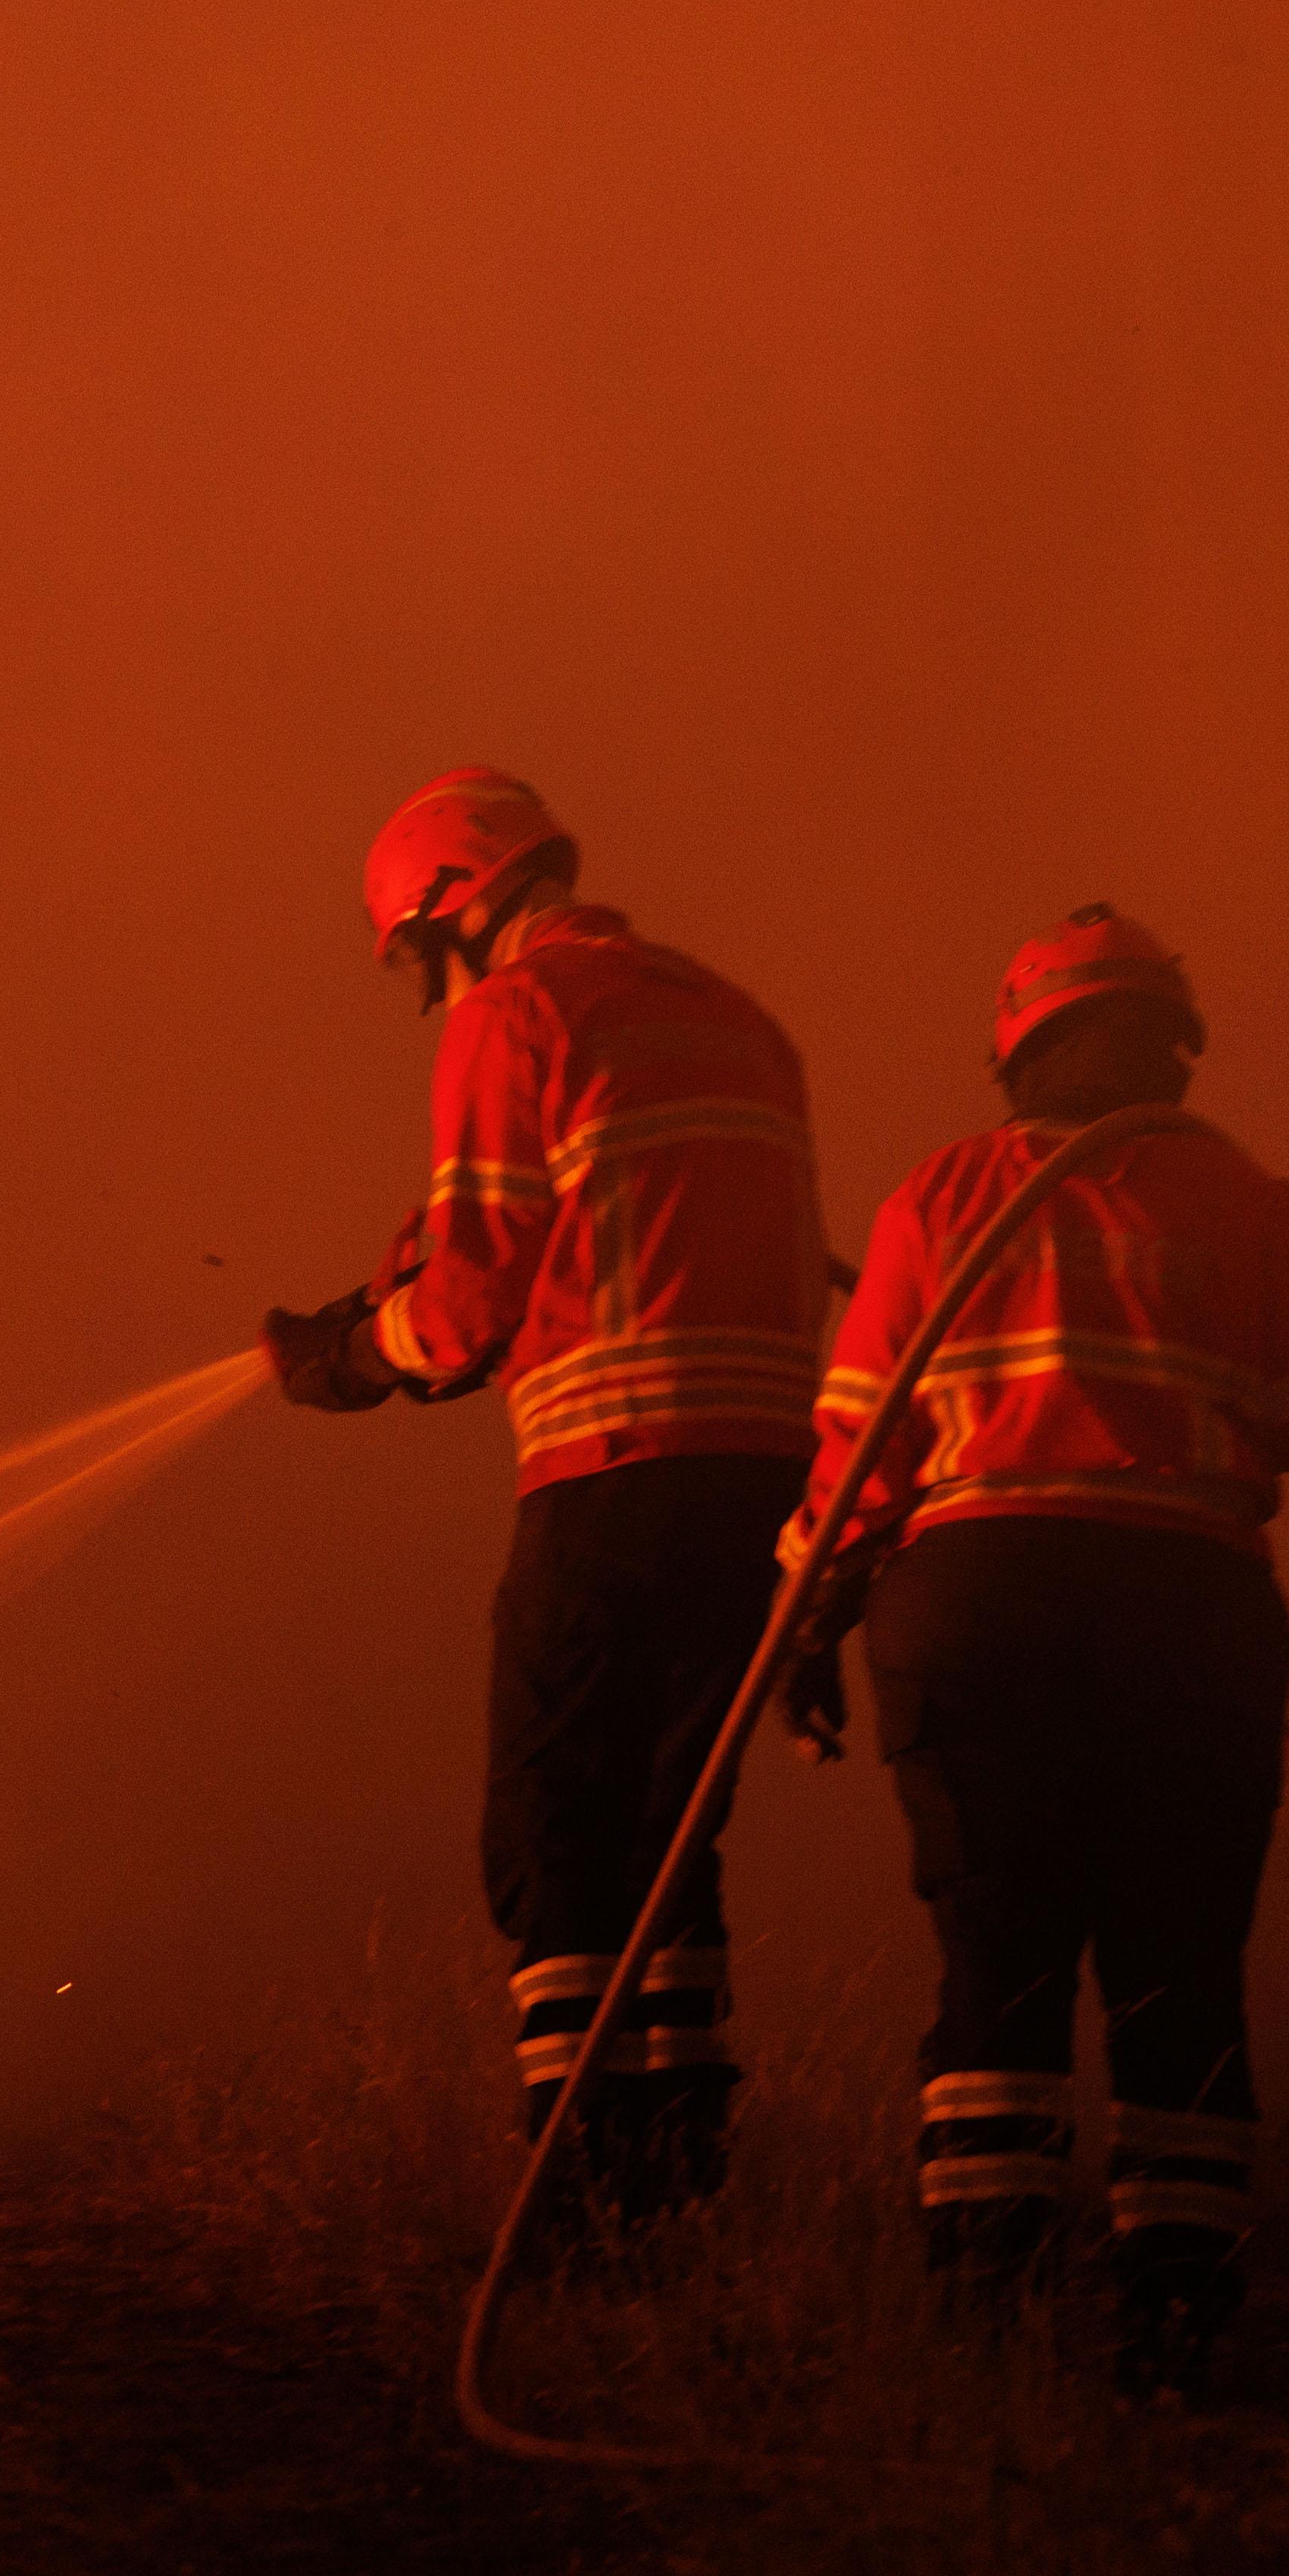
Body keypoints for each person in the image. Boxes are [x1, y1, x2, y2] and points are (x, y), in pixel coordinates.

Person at [780, 903, 1289, 2395]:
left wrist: (805, 1612)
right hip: (1189, 1607)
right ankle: (1174, 2334)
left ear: (1018, 1053)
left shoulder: (939, 1198)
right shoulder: (1248, 1202)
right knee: (1180, 1962)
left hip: (976, 1607)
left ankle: (988, 2324)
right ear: (1173, 1047)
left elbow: (860, 1452)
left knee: (1001, 1957)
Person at [263, 767, 827, 2227]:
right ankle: (681, 2176)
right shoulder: (738, 1017)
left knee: (555, 1837)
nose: (422, 985)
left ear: (457, 910)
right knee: (668, 1831)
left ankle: (578, 2206)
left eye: (413, 954)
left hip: (608, 1472)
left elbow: (468, 1299)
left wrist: (355, 1354)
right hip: (763, 1490)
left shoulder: (515, 1016)